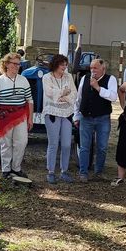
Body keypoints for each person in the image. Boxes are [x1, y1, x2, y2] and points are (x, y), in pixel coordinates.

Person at [0, 52, 34, 180]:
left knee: (21, 142)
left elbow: (29, 100)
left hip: (20, 116)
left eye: (19, 64)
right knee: (6, 144)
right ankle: (6, 170)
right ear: (7, 64)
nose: (17, 66)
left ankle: (16, 168)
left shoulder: (23, 80)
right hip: (3, 117)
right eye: (14, 64)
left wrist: (30, 118)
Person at [74, 58, 118, 182]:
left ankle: (98, 172)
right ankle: (83, 172)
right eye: (91, 68)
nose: (92, 70)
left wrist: (98, 88)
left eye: (95, 68)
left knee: (102, 147)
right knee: (84, 146)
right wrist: (76, 116)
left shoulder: (111, 79)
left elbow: (113, 97)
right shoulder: (84, 78)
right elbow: (79, 98)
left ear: (103, 69)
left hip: (103, 118)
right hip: (86, 117)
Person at [42, 54, 77, 184]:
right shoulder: (47, 77)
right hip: (52, 113)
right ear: (56, 64)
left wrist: (64, 96)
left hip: (67, 113)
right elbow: (49, 92)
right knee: (53, 143)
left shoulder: (69, 77)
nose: (64, 67)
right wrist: (64, 92)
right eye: (62, 64)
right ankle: (51, 172)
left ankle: (64, 171)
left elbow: (74, 93)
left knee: (67, 144)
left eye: (65, 64)